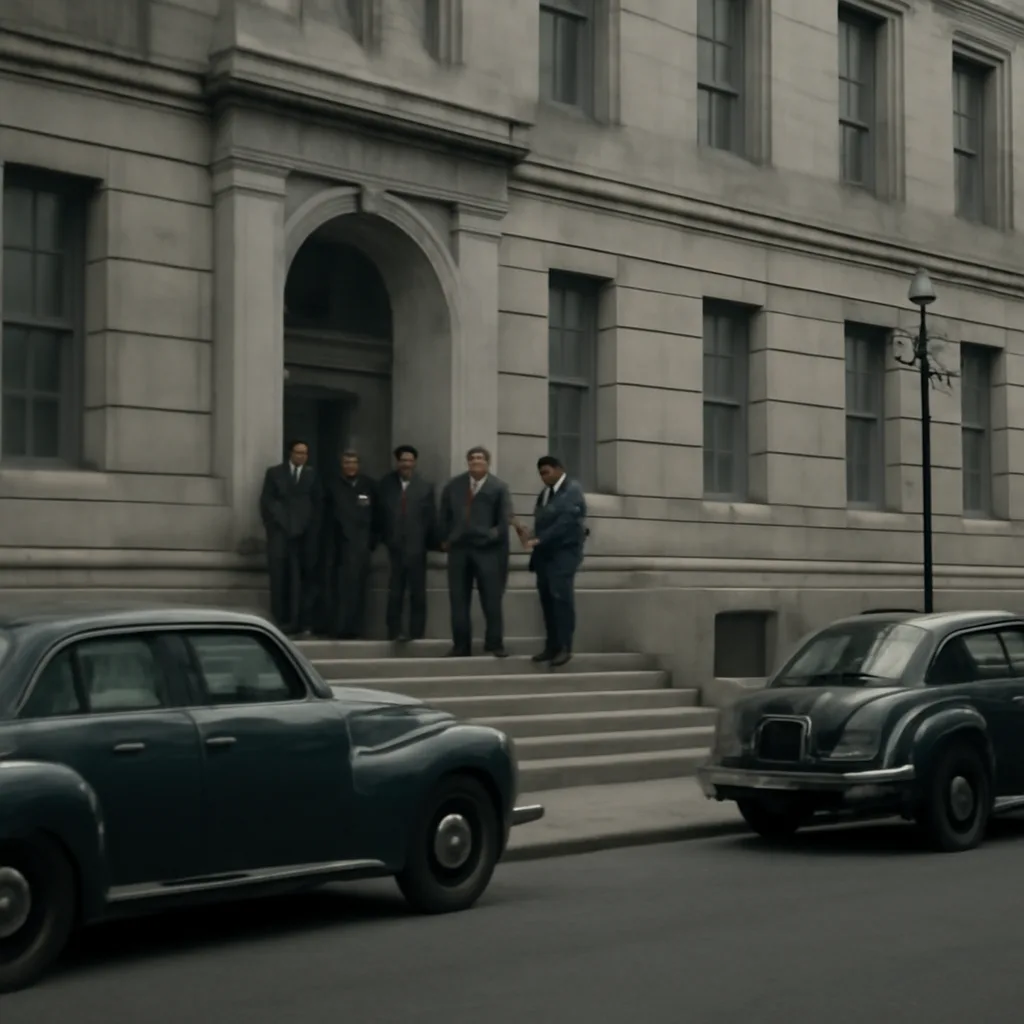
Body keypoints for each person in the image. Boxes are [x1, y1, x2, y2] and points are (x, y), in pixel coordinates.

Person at [438, 446, 512, 658]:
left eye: (480, 458)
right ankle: (461, 646)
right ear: (467, 462)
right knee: (458, 599)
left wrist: (491, 535)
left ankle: (494, 644)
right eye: (472, 458)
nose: (475, 461)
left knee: (491, 599)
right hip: (459, 550)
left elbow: (504, 520)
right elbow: (444, 516)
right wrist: (445, 538)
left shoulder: (498, 487)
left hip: (487, 552)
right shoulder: (454, 486)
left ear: (487, 462)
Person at [518, 455, 587, 667]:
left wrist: (539, 539)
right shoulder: (545, 493)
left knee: (561, 601)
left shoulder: (571, 490)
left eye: (546, 472)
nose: (543, 477)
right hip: (545, 557)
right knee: (547, 602)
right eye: (540, 473)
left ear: (559, 469)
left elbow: (565, 522)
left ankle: (565, 647)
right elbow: (543, 521)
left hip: (563, 556)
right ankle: (552, 646)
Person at [258, 439, 321, 636]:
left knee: (300, 580)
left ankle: (300, 622)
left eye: (305, 453)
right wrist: (275, 527)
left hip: (303, 537)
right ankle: (279, 621)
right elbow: (266, 502)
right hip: (280, 534)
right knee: (279, 578)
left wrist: (310, 531)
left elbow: (317, 505)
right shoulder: (275, 473)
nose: (301, 456)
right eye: (298, 453)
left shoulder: (312, 476)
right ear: (290, 453)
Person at [378, 444, 437, 642]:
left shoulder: (425, 486)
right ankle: (394, 631)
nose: (406, 464)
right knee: (395, 592)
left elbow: (431, 518)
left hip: (417, 548)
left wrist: (433, 543)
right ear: (398, 462)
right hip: (394, 547)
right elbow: (379, 515)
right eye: (403, 460)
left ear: (415, 462)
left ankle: (416, 633)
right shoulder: (386, 484)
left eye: (410, 460)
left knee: (417, 593)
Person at [323, 449, 380, 639]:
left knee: (359, 589)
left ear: (358, 465)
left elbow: (379, 516)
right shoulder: (332, 485)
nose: (350, 466)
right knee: (339, 589)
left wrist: (372, 542)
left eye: (353, 462)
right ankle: (338, 628)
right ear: (342, 465)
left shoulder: (369, 485)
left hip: (361, 547)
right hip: (338, 547)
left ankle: (356, 628)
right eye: (347, 462)